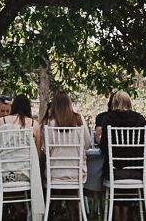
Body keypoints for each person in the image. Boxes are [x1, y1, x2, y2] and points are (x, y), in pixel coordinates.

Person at [0, 95, 44, 221]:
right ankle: (20, 209)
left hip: (3, 174)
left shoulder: (2, 122)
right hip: (26, 174)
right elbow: (38, 155)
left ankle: (17, 209)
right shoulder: (35, 125)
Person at [41, 91, 91, 221]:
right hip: (76, 173)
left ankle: (53, 210)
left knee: (59, 175)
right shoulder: (79, 119)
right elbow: (87, 144)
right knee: (70, 183)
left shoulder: (49, 123)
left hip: (54, 174)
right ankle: (73, 215)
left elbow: (46, 150)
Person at [98, 91, 146, 221]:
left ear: (113, 103)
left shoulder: (108, 118)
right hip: (136, 171)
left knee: (114, 175)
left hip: (115, 171)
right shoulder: (140, 119)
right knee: (125, 176)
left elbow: (103, 147)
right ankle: (126, 215)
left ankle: (117, 215)